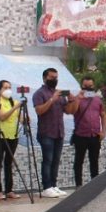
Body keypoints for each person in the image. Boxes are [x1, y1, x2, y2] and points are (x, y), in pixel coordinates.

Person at [33, 68, 74, 198]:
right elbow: (39, 111)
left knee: (56, 160)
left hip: (59, 132)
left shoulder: (59, 93)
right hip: (46, 132)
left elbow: (68, 111)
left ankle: (54, 185)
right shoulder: (39, 93)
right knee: (48, 160)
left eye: (56, 77)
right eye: (52, 77)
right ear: (45, 78)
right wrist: (52, 99)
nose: (54, 80)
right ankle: (46, 187)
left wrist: (73, 99)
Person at [68, 76, 106, 187]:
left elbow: (103, 115)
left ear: (93, 86)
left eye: (90, 86)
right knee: (78, 161)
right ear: (81, 86)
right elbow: (72, 111)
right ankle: (78, 185)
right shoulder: (77, 98)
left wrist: (103, 131)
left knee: (94, 161)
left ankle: (95, 185)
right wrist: (78, 98)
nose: (88, 89)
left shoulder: (97, 99)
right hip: (80, 135)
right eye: (86, 86)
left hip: (94, 135)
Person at [0, 80, 22, 201]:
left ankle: (9, 190)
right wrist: (15, 107)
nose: (8, 90)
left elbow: (21, 118)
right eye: (5, 88)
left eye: (9, 87)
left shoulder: (14, 102)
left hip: (12, 136)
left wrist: (24, 115)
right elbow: (2, 117)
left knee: (9, 162)